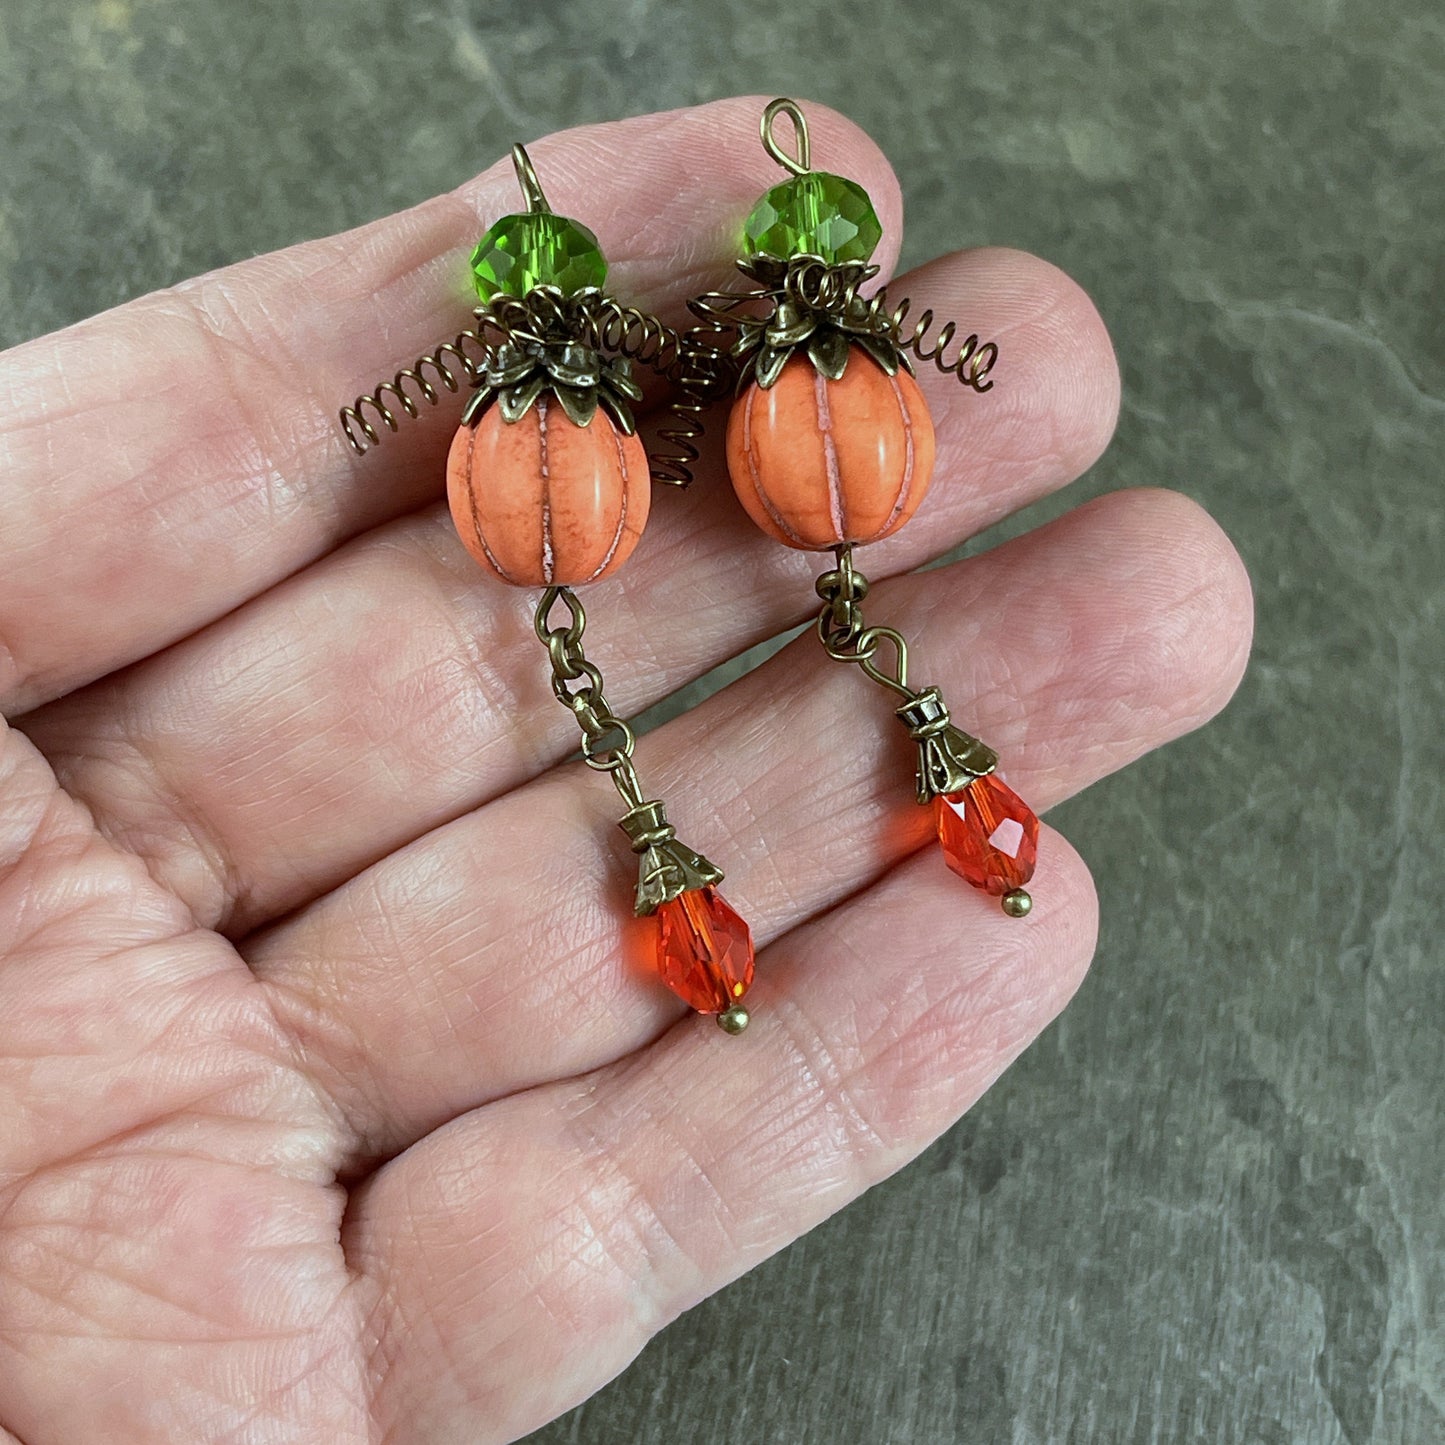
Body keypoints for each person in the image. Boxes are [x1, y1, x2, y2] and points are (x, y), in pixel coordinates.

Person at [0, 97, 1252, 1443]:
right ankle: (848, 831)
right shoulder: (614, 371)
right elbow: (465, 394)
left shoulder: (676, 358)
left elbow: (643, 375)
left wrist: (674, 402)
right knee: (771, 647)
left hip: (686, 446)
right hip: (605, 462)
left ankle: (871, 811)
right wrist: (653, 404)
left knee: (810, 631)